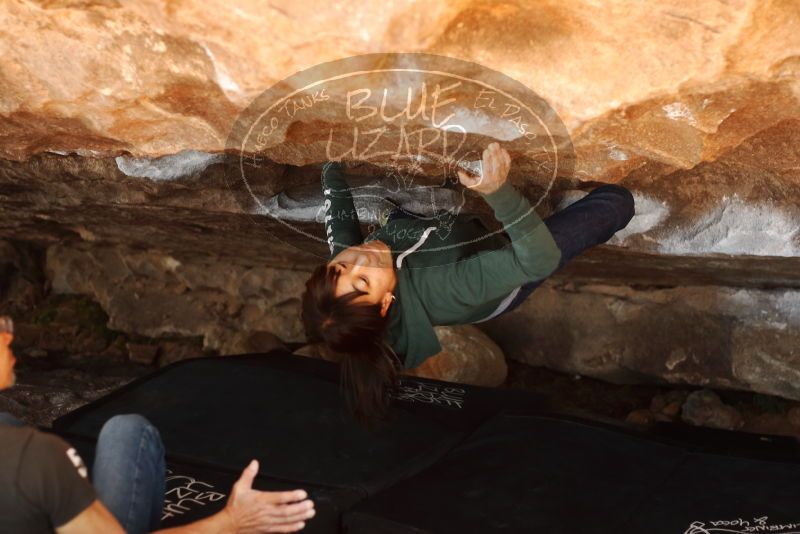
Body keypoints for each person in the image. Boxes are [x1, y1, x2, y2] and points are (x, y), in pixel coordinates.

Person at [301, 143, 636, 425]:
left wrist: (333, 160)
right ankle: (529, 222)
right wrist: (499, 193)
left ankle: (421, 224)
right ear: (387, 301)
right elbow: (537, 261)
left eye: (341, 265)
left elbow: (340, 224)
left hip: (428, 243)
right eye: (362, 280)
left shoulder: (347, 269)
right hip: (502, 276)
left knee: (399, 226)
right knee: (615, 204)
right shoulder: (445, 286)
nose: (359, 258)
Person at [0, 315, 316, 533]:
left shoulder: (17, 442)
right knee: (127, 431)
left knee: (120, 430)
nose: (9, 334)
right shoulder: (34, 455)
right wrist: (231, 522)